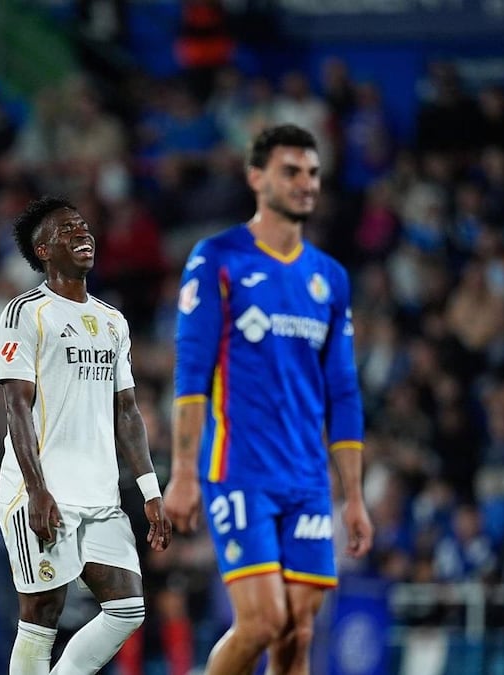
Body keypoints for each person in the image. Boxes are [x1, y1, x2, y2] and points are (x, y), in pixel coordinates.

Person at [163, 124, 373, 675]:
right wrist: (183, 471)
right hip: (239, 469)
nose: (306, 183)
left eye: (313, 172)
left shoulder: (330, 278)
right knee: (261, 622)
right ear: (257, 177)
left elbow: (343, 394)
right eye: (291, 171)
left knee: (297, 634)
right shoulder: (218, 259)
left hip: (307, 479)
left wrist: (352, 496)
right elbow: (192, 373)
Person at [0, 196, 172, 674]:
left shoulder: (113, 321)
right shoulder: (25, 312)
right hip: (41, 488)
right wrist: (36, 490)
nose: (83, 234)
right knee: (41, 615)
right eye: (68, 230)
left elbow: (128, 411)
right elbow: (16, 404)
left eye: (84, 227)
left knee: (127, 608)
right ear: (44, 250)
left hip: (98, 492)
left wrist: (150, 491)